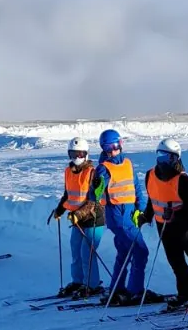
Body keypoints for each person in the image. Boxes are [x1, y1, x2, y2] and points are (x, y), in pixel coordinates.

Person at [135, 138, 188, 307]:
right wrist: (147, 216)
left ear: (175, 159)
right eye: (160, 156)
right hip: (164, 227)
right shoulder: (150, 175)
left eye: (167, 158)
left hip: (185, 228)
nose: (163, 162)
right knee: (176, 263)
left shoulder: (182, 180)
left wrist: (175, 214)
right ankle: (187, 292)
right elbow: (153, 199)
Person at [90, 128, 153, 306]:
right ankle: (135, 291)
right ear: (103, 149)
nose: (113, 151)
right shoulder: (104, 169)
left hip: (130, 214)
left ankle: (117, 289)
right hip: (117, 215)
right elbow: (95, 196)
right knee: (140, 251)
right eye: (108, 148)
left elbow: (136, 187)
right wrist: (97, 187)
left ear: (121, 144)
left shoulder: (127, 163)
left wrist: (141, 210)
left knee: (124, 252)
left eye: (115, 146)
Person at [49, 137, 105, 297]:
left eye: (80, 154)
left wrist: (77, 214)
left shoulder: (92, 173)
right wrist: (59, 210)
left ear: (86, 154)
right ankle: (78, 282)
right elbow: (68, 194)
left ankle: (92, 284)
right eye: (73, 154)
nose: (77, 157)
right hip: (77, 219)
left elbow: (93, 201)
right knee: (75, 251)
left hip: (94, 218)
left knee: (87, 253)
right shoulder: (68, 172)